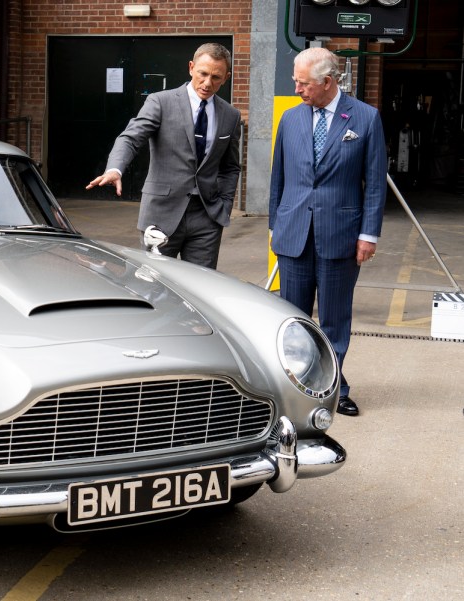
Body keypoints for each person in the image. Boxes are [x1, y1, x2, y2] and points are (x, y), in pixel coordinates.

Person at [269, 47, 387, 417]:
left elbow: (375, 185)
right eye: (295, 81)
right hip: (294, 234)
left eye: (303, 83)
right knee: (293, 319)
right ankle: (295, 389)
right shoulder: (290, 119)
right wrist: (276, 225)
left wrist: (369, 234)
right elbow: (279, 177)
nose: (297, 88)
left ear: (328, 82)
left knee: (335, 319)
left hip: (341, 234)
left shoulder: (366, 119)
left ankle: (334, 390)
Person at [86, 42, 242, 269]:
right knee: (153, 286)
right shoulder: (160, 101)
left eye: (216, 77)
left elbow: (231, 167)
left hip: (207, 217)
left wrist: (224, 205)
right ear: (191, 68)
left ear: (226, 77)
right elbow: (130, 138)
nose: (208, 83)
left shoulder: (230, 115)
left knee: (201, 289)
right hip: (161, 214)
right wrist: (115, 168)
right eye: (203, 73)